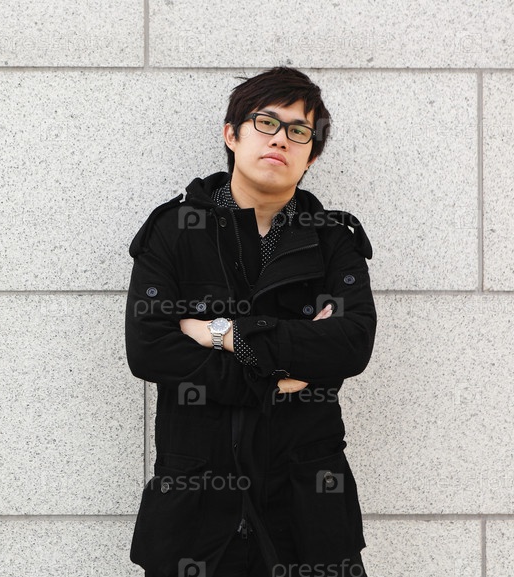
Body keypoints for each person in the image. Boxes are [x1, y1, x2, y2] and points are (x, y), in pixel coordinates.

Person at [124, 67, 376, 577]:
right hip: (196, 512)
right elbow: (150, 349)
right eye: (266, 122)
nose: (281, 139)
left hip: (306, 510)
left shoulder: (333, 241)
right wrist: (273, 377)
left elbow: (350, 344)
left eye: (299, 130)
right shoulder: (175, 231)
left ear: (311, 154)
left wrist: (222, 334)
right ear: (231, 134)